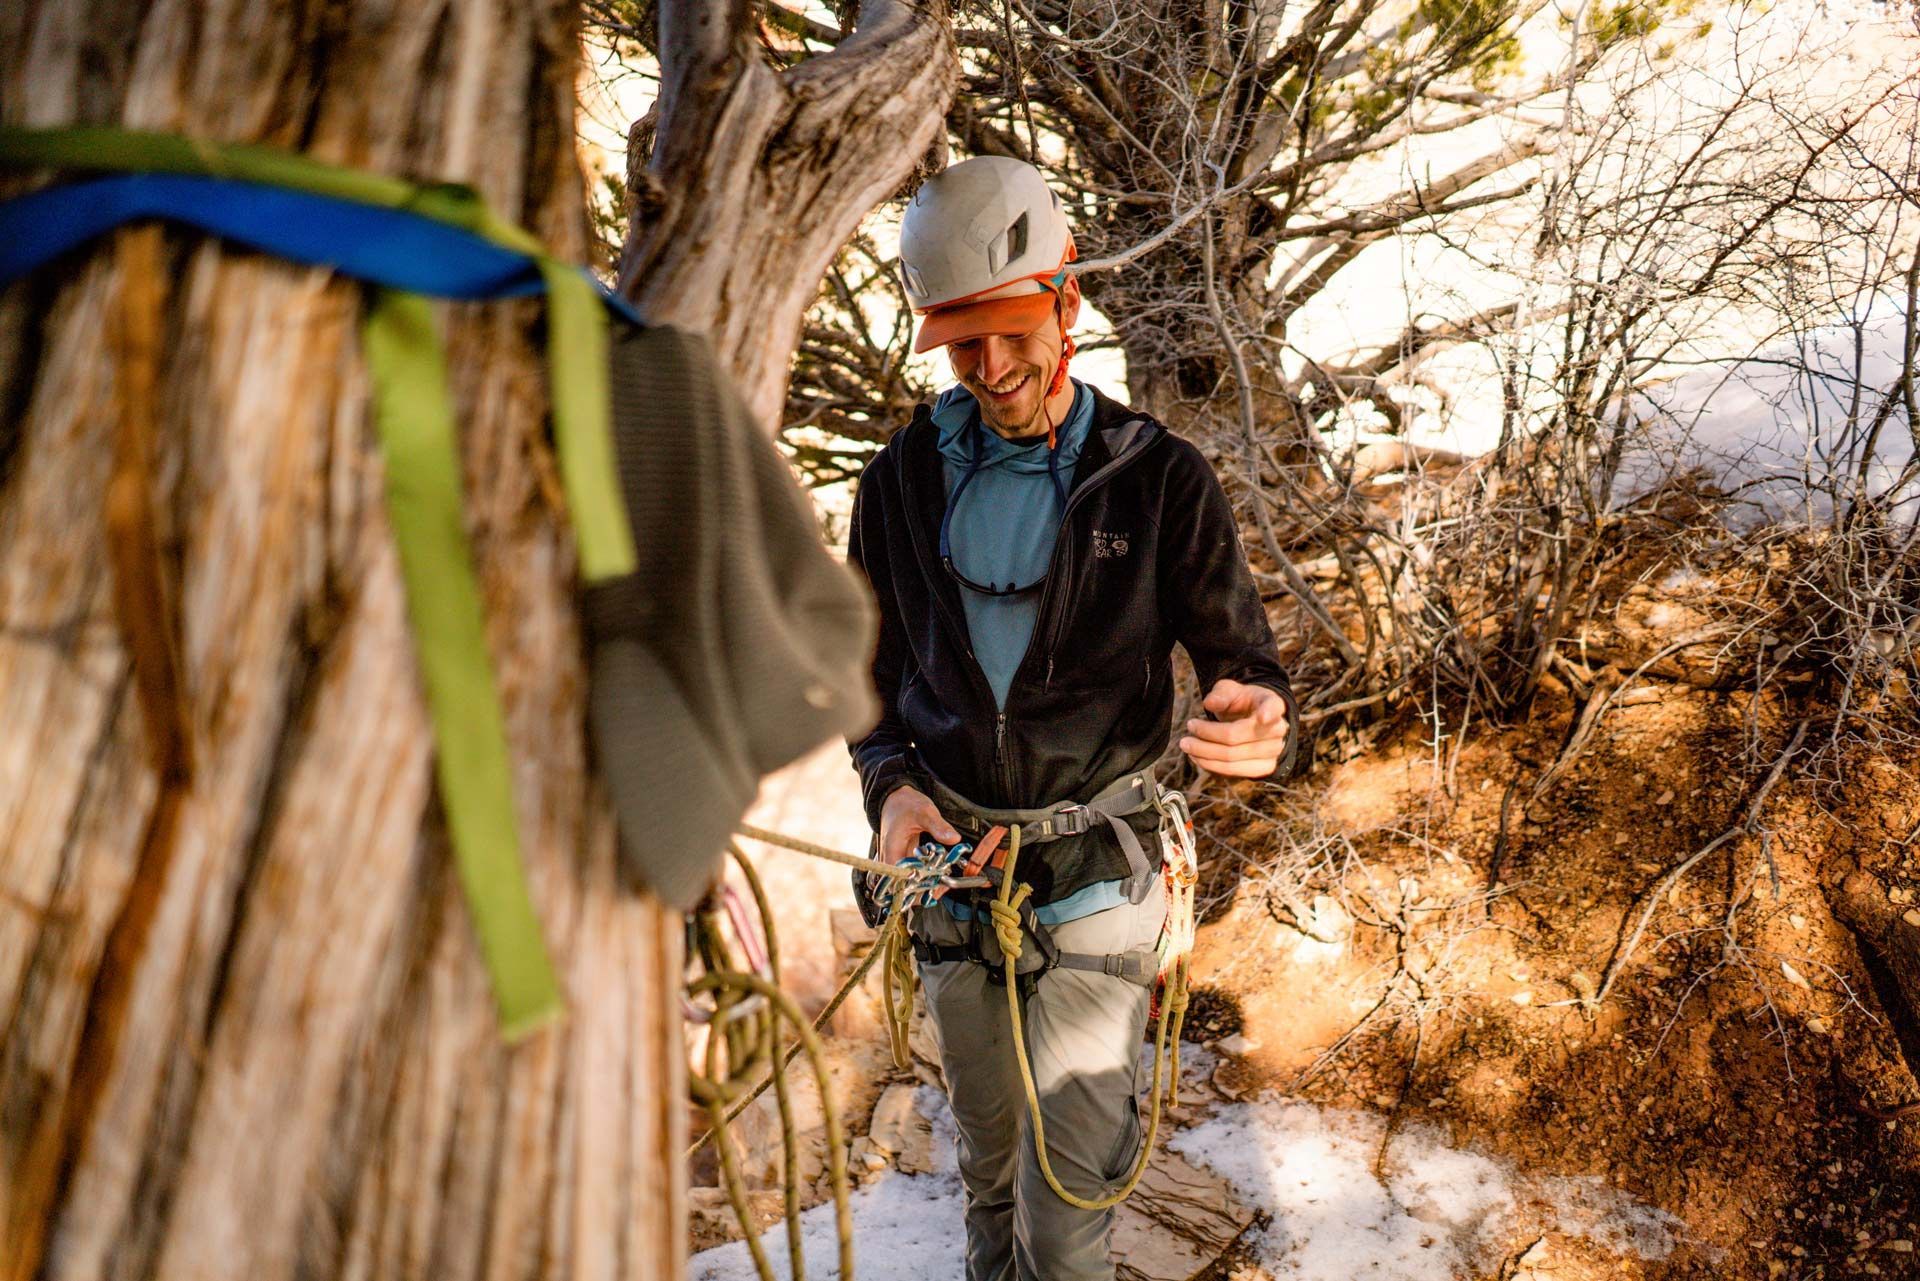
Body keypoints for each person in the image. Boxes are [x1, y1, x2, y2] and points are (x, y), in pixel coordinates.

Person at [845, 155, 1297, 1281]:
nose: (991, 367)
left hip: (1099, 873)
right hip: (955, 884)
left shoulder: (1156, 478)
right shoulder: (898, 481)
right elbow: (864, 684)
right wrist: (893, 787)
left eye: (1010, 328)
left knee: (1064, 1209)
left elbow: (1243, 659)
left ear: (1067, 301)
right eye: (960, 342)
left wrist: (1262, 712)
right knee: (990, 1178)